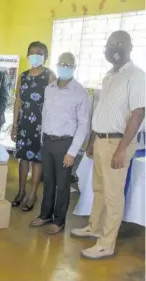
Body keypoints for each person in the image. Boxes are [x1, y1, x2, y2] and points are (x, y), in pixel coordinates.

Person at [71, 31, 145, 259]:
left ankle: (107, 243)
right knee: (99, 189)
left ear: (130, 47)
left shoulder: (137, 75)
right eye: (111, 44)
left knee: (113, 195)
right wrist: (92, 141)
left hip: (117, 142)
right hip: (101, 140)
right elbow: (102, 111)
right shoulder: (110, 76)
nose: (114, 48)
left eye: (119, 44)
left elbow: (138, 113)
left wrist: (122, 148)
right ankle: (95, 227)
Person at [30, 52, 90, 234]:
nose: (64, 66)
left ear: (74, 67)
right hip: (47, 141)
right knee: (47, 180)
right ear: (56, 65)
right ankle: (45, 214)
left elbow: (83, 125)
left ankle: (59, 220)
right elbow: (45, 116)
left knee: (62, 184)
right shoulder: (50, 89)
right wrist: (42, 140)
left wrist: (72, 152)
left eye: (68, 64)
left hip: (65, 144)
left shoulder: (80, 93)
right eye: (61, 63)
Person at [11, 41, 56, 212]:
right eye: (32, 52)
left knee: (37, 160)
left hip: (41, 125)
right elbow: (18, 101)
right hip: (24, 124)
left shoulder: (50, 76)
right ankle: (21, 191)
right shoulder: (22, 76)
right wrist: (15, 125)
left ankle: (33, 194)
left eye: (39, 52)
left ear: (45, 56)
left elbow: (53, 104)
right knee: (23, 159)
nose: (35, 55)